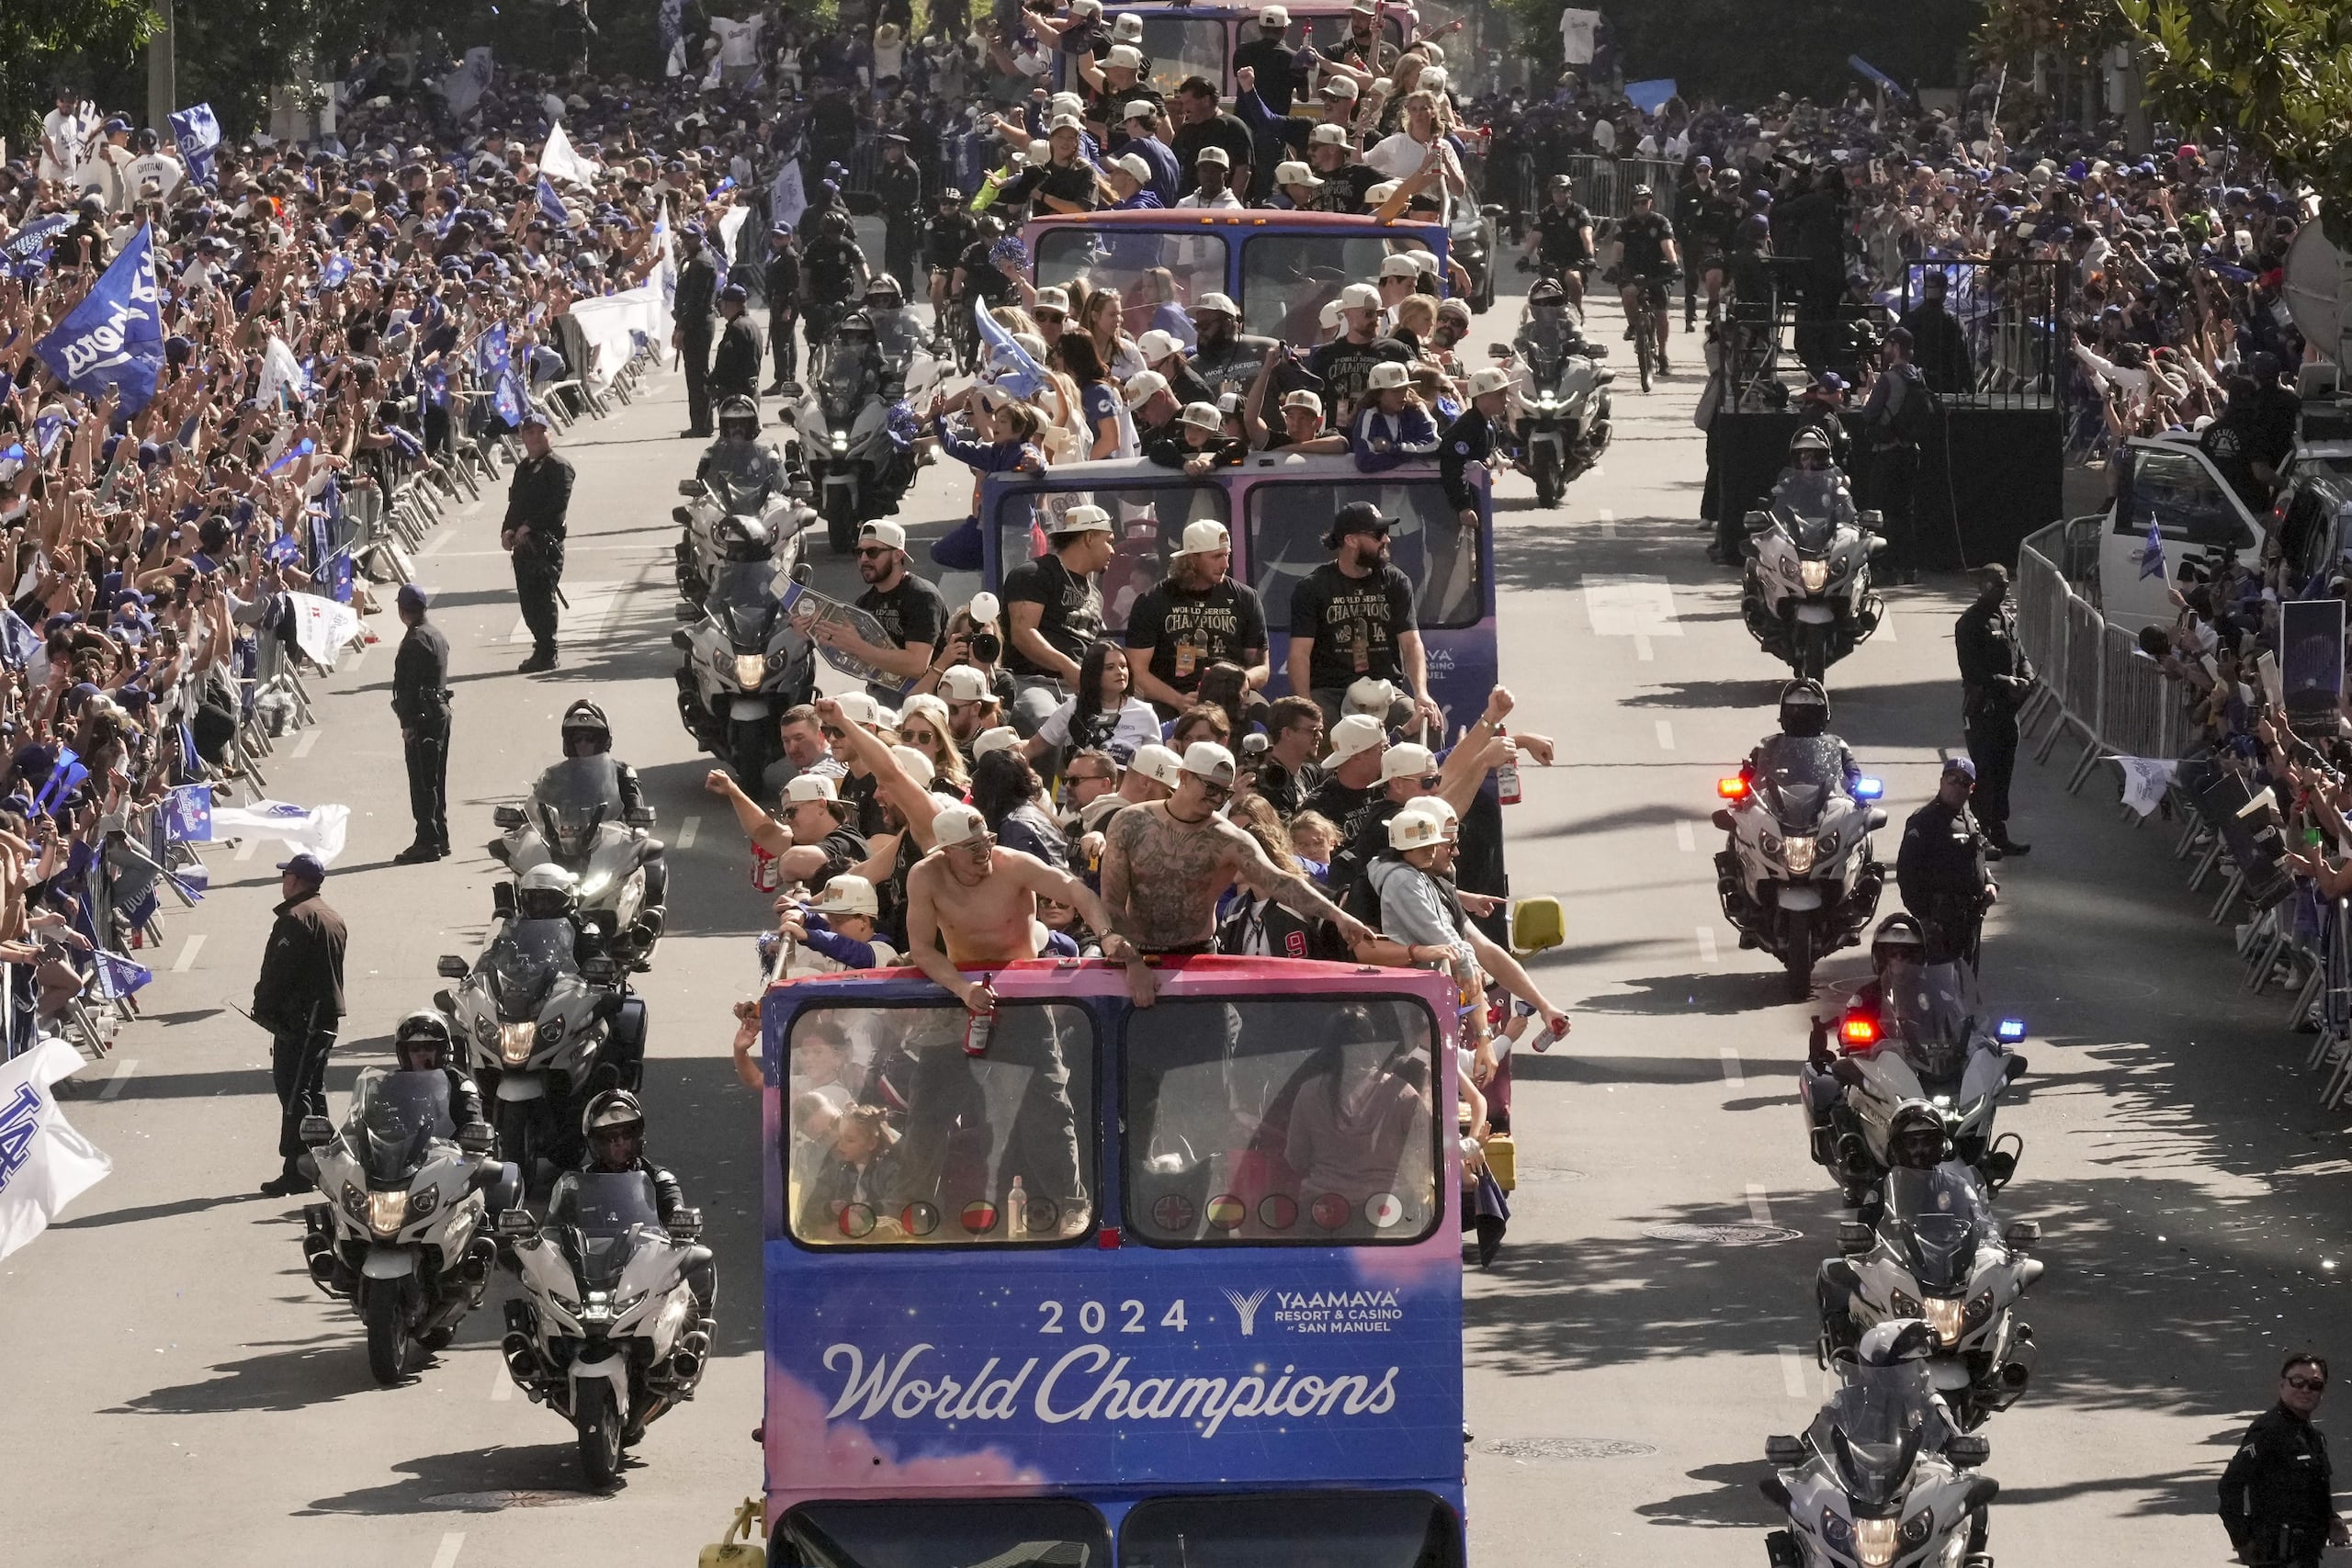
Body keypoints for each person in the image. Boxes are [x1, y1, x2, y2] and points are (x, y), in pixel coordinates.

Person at [1101, 742, 1374, 957]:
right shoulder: (1130, 822)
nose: (1217, 800)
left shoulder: (1228, 838)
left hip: (1197, 954)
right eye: (1210, 788)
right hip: (1137, 952)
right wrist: (1133, 962)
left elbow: (1279, 880)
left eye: (1225, 793)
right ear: (1183, 777)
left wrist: (1338, 915)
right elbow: (1112, 902)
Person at [903, 801, 1142, 1007]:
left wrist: (1106, 934)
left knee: (1042, 1060)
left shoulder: (1014, 865)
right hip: (966, 983)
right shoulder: (925, 877)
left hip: (1023, 983)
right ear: (947, 851)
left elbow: (1076, 890)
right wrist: (962, 988)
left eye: (988, 841)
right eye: (973, 847)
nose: (985, 851)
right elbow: (921, 949)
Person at [550, 1089, 715, 1328]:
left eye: (626, 1134)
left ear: (637, 1136)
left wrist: (680, 1220)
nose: (618, 1142)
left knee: (698, 1260)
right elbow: (553, 1228)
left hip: (645, 1264)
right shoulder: (575, 1183)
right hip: (588, 1268)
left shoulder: (659, 1179)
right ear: (595, 1142)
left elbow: (676, 1211)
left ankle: (693, 1336)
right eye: (609, 1137)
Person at [1287, 502, 1441, 732]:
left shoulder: (1396, 582)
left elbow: (1411, 643)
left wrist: (1421, 693)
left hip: (1385, 689)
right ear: (1351, 540)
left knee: (1426, 720)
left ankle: (1428, 770)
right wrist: (1305, 703)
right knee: (1308, 728)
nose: (1387, 540)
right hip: (1331, 692)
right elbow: (1299, 654)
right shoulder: (1312, 587)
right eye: (1379, 534)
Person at [253, 853, 348, 1197]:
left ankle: (298, 1167)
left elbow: (279, 972)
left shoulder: (295, 919)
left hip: (301, 1020)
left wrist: (264, 1007)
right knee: (310, 1088)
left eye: (286, 875)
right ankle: (324, 1161)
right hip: (321, 1017)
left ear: (296, 880)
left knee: (295, 1093)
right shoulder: (331, 915)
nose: (283, 881)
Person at [1123, 520, 1270, 716]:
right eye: (1217, 557)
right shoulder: (1153, 600)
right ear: (1192, 559)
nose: (1225, 564)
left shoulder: (1245, 598)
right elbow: (1136, 670)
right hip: (1172, 695)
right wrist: (1178, 700)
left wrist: (1242, 681)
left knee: (1264, 715)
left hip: (1233, 693)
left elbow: (1262, 667)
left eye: (1227, 555)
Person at [2220, 1354, 2350, 1568]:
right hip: (2275, 1556)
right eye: (2297, 1381)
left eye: (2314, 1384)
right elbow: (2229, 1485)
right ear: (2282, 1385)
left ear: (2322, 1393)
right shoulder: (2268, 1431)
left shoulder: (2314, 1438)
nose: (2305, 1389)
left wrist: (2331, 1518)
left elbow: (2313, 1491)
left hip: (2306, 1555)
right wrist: (2242, 1541)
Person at [1003, 503, 1114, 735]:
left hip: (1080, 690)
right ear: (1089, 538)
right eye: (1109, 541)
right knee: (1047, 724)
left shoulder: (1096, 595)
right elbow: (1023, 634)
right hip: (1033, 683)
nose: (1112, 551)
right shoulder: (1033, 574)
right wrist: (1067, 667)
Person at [815, 520, 948, 706]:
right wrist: (816, 631)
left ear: (897, 555)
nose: (863, 559)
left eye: (872, 552)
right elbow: (858, 659)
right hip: (881, 698)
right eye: (859, 552)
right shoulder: (865, 602)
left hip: (921, 704)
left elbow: (917, 664)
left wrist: (858, 647)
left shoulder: (922, 596)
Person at [1956, 564, 2032, 855]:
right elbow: (1972, 672)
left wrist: (2026, 676)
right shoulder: (1970, 624)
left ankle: (1998, 831)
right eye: (1999, 584)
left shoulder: (2007, 618)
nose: (2005, 588)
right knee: (1983, 774)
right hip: (1983, 709)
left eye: (2007, 584)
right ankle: (1978, 835)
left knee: (2003, 773)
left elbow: (2020, 654)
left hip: (2007, 710)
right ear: (1984, 586)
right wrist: (2006, 681)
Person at [1896, 757, 1997, 968]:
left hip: (1968, 920)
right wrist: (1923, 918)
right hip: (1939, 922)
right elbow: (1907, 873)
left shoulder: (1969, 818)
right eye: (1952, 778)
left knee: (1964, 983)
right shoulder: (1925, 820)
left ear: (1972, 788)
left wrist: (1989, 882)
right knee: (1939, 987)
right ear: (1942, 781)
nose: (1957, 786)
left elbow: (1977, 856)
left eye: (1964, 782)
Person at [1857, 325, 1928, 584]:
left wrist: (1867, 396)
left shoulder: (1889, 378)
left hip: (1887, 453)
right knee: (1904, 512)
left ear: (1895, 347)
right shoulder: (1917, 376)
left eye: (1887, 345)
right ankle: (1908, 568)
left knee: (1882, 512)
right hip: (1910, 452)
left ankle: (1884, 568)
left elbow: (1869, 414)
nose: (1884, 350)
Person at [503, 410, 572, 674]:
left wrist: (529, 526)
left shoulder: (559, 467)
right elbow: (515, 504)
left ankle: (548, 650)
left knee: (542, 598)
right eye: (528, 432)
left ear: (549, 434)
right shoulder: (524, 468)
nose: (534, 437)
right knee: (528, 601)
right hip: (523, 546)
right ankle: (540, 646)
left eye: (539, 431)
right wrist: (508, 530)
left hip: (545, 543)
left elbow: (557, 506)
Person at [390, 583, 452, 864]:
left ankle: (427, 840)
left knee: (423, 781)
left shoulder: (415, 641)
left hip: (423, 717)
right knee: (435, 776)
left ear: (403, 610)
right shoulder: (435, 635)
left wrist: (408, 723)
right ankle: (440, 835)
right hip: (438, 712)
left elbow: (408, 688)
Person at [1024, 640, 1163, 765]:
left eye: (1123, 666)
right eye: (1110, 667)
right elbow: (1033, 747)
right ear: (1094, 673)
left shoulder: (1145, 713)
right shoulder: (1072, 707)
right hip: (1072, 792)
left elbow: (1156, 762)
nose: (1120, 672)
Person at [1438, 367, 1517, 532]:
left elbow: (1495, 448)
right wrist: (1463, 506)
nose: (1506, 400)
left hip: (1477, 497)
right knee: (1448, 552)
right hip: (1449, 504)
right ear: (1481, 396)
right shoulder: (1467, 428)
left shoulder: (1490, 423)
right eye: (1499, 395)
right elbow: (1452, 466)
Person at [1614, 185, 1681, 373]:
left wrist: (1674, 264)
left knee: (1661, 312)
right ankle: (1635, 326)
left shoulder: (1661, 222)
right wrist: (1614, 266)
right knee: (1628, 294)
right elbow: (1618, 247)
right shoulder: (1625, 224)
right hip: (1633, 269)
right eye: (1636, 203)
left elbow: (1667, 245)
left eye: (1644, 202)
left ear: (1650, 202)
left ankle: (1663, 354)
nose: (1640, 206)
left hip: (1658, 270)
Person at [390, 1010, 484, 1131]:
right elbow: (371, 1121)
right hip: (401, 1149)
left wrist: (475, 1133)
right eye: (414, 1048)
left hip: (449, 1148)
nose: (422, 1054)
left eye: (429, 1047)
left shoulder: (460, 1085)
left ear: (442, 1051)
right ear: (404, 1053)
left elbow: (475, 1122)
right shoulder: (391, 1085)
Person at [695, 396, 794, 511]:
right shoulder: (711, 456)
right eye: (732, 424)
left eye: (744, 424)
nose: (738, 429)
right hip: (723, 516)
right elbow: (700, 493)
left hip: (761, 517)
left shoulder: (768, 456)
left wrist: (796, 501)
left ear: (753, 426)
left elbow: (786, 493)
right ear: (725, 427)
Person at [673, 222, 720, 437]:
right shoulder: (691, 261)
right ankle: (700, 422)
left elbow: (695, 301)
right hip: (693, 322)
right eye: (684, 238)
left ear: (700, 238)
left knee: (698, 375)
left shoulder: (701, 263)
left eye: (690, 238)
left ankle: (702, 424)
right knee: (694, 374)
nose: (686, 242)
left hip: (698, 324)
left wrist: (682, 327)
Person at [1898, 270, 1974, 397]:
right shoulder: (1952, 321)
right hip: (1945, 385)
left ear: (1924, 291)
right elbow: (1961, 357)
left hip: (1912, 383)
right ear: (1945, 290)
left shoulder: (1909, 319)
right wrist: (1970, 386)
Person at [1523, 174, 1596, 304]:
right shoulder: (1546, 213)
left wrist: (1590, 256)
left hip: (1574, 262)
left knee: (1572, 278)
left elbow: (1587, 236)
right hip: (1551, 262)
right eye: (1554, 191)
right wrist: (1525, 257)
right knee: (1542, 290)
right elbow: (1535, 236)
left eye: (1561, 190)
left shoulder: (1579, 212)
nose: (1558, 194)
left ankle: (1577, 311)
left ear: (1569, 192)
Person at [1255, 696, 1325, 818]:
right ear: (1287, 733)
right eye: (1312, 730)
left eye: (1320, 730)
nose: (1319, 736)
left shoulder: (1310, 772)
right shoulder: (1267, 781)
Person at [762, 226, 803, 392]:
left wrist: (789, 308)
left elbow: (795, 285)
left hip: (785, 303)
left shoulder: (790, 257)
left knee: (781, 343)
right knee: (786, 341)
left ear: (789, 237)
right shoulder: (778, 255)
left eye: (780, 236)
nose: (776, 239)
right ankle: (787, 378)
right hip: (777, 302)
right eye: (774, 236)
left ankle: (782, 379)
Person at [709, 283, 764, 405]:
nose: (721, 307)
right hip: (752, 389)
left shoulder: (736, 328)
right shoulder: (752, 324)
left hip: (737, 391)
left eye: (722, 303)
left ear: (730, 304)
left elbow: (726, 360)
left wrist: (712, 380)